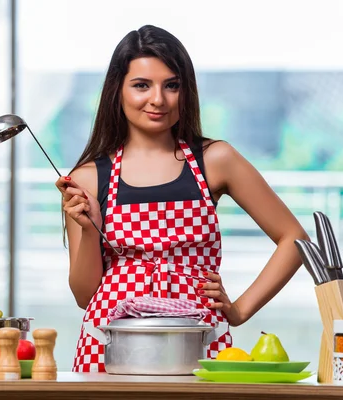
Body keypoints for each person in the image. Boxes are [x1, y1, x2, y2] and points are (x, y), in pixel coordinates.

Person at [55, 25, 308, 373]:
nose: (158, 99)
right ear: (117, 90)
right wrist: (89, 226)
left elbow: (294, 239)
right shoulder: (87, 178)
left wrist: (240, 310)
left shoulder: (217, 160)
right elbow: (85, 296)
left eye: (171, 85)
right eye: (142, 85)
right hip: (109, 344)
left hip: (199, 338)